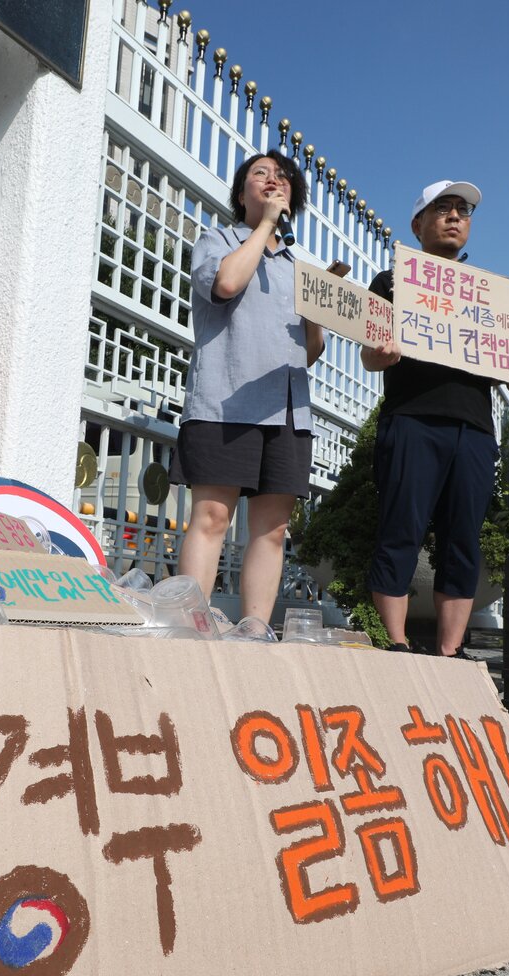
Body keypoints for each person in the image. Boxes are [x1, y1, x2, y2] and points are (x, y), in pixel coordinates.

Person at [362, 181, 509, 656]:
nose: (454, 216)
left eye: (463, 210)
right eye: (442, 209)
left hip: (476, 429)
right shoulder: (391, 281)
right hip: (412, 419)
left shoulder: (491, 296)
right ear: (417, 224)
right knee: (401, 528)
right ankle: (396, 643)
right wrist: (385, 353)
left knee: (464, 539)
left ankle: (451, 650)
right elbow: (369, 358)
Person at [172, 150, 325, 624]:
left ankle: (255, 631)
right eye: (260, 174)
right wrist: (266, 226)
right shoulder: (218, 238)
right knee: (213, 518)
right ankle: (190, 626)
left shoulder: (300, 268)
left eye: (282, 177)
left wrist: (319, 319)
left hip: (287, 409)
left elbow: (309, 352)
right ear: (242, 194)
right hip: (225, 401)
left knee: (273, 530)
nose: (272, 181)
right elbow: (226, 283)